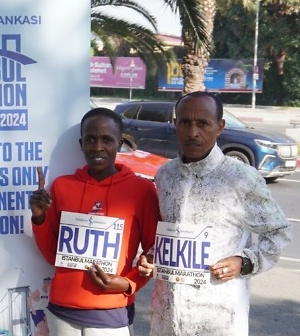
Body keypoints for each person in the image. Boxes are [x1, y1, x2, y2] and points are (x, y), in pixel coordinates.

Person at [138, 91, 292, 336]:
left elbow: (278, 232)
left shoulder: (241, 178)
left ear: (219, 127)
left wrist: (244, 262)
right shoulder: (165, 175)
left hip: (216, 318)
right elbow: (170, 231)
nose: (192, 132)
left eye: (202, 123)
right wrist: (152, 256)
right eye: (185, 122)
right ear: (175, 125)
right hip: (167, 315)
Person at [29, 107, 160, 336]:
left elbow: (154, 251)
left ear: (119, 144)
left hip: (111, 313)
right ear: (81, 144)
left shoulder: (142, 190)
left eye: (106, 140)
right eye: (90, 139)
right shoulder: (62, 187)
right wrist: (39, 218)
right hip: (62, 312)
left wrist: (128, 284)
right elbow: (53, 256)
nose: (97, 147)